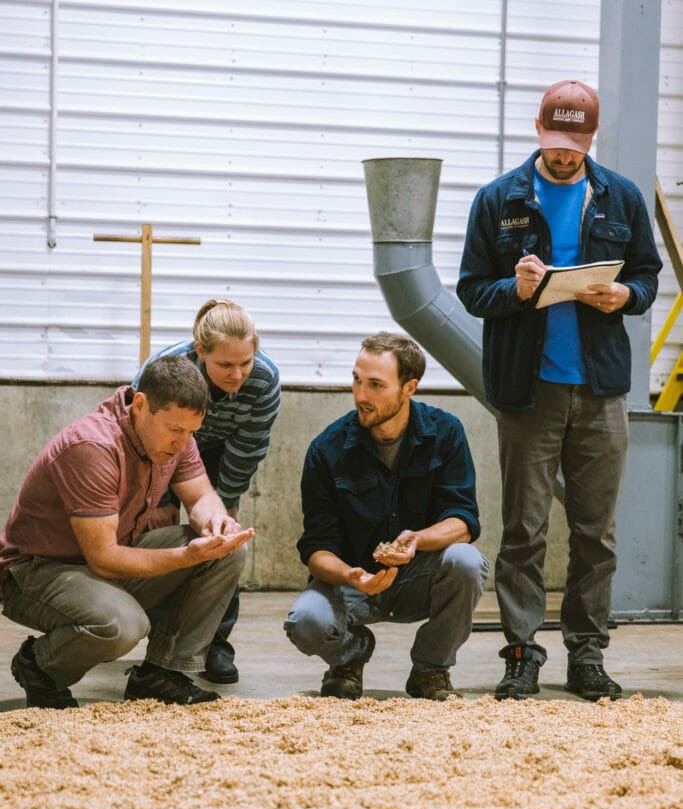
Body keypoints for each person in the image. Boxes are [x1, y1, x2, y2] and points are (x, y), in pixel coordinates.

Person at [456, 79, 662, 703]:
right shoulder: (500, 199)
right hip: (528, 389)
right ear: (538, 131)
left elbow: (648, 277)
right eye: (555, 141)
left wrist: (626, 296)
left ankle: (587, 654)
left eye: (576, 143)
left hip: (600, 390)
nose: (564, 154)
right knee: (523, 529)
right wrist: (514, 291)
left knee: (595, 532)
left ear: (591, 138)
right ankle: (521, 653)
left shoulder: (621, 197)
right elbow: (471, 290)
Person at [0, 355, 254, 709]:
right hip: (36, 572)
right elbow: (104, 559)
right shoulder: (92, 448)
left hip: (109, 554)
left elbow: (200, 495)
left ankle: (161, 674)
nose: (183, 443)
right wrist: (186, 555)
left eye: (191, 432)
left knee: (227, 552)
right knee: (124, 625)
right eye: (176, 431)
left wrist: (215, 522)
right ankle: (39, 665)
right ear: (140, 405)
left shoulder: (175, 433)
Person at [283, 331, 488, 700]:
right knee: (306, 622)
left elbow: (463, 521)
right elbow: (316, 547)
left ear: (409, 387)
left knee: (466, 561)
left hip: (418, 577)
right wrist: (351, 575)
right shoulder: (327, 449)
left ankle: (431, 670)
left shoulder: (446, 433)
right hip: (351, 584)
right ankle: (350, 656)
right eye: (357, 380)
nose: (361, 395)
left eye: (376, 385)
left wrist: (417, 539)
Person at [133, 298, 280, 685]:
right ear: (200, 352)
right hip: (166, 443)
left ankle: (216, 643)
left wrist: (225, 502)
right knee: (162, 533)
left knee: (222, 537)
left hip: (223, 449)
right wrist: (159, 500)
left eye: (245, 362)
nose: (237, 374)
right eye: (225, 365)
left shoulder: (265, 380)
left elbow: (250, 446)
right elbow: (141, 437)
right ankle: (164, 638)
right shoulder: (163, 371)